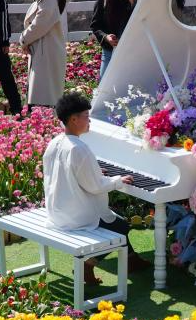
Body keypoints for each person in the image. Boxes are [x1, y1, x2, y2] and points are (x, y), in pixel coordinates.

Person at [43, 92, 148, 284]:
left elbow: (67, 171)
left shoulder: (55, 142)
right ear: (73, 119)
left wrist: (95, 171)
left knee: (116, 222)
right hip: (76, 216)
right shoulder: (78, 148)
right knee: (122, 227)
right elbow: (95, 186)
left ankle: (132, 260)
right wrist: (118, 180)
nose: (89, 120)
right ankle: (87, 264)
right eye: (86, 116)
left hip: (57, 210)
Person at [20, 0, 67, 108]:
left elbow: (38, 26)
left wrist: (23, 40)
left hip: (46, 53)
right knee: (42, 93)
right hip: (42, 52)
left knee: (44, 96)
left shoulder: (49, 1)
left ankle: (45, 120)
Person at [90, 0, 137, 79]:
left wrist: (133, 3)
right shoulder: (103, 0)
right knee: (105, 84)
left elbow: (137, 22)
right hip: (109, 51)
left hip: (130, 51)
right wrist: (106, 37)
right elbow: (95, 25)